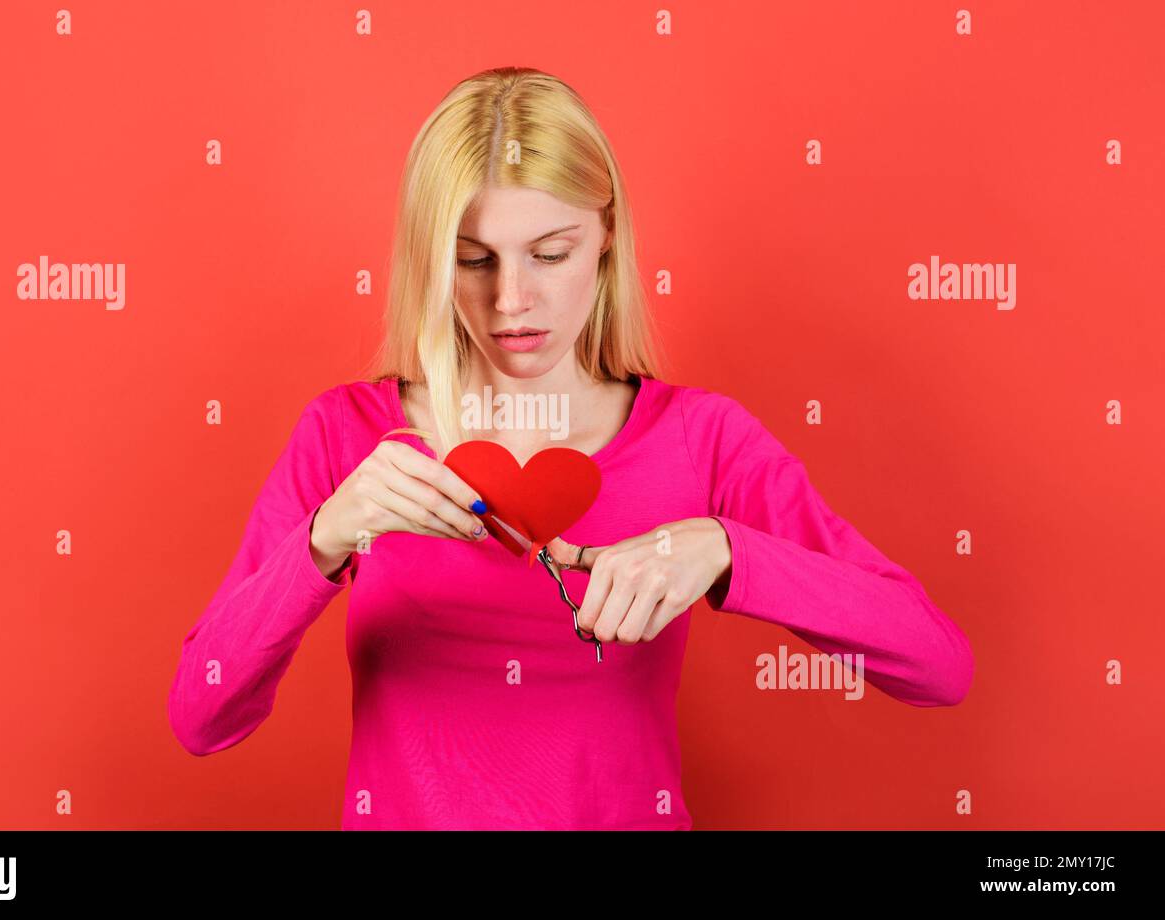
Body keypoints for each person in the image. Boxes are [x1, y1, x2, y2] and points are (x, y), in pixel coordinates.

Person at [166, 66, 974, 830]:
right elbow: (201, 717)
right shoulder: (345, 435)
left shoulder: (699, 438)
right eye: (472, 260)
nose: (512, 300)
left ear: (607, 236)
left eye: (550, 254)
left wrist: (729, 552)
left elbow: (937, 665)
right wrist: (322, 541)